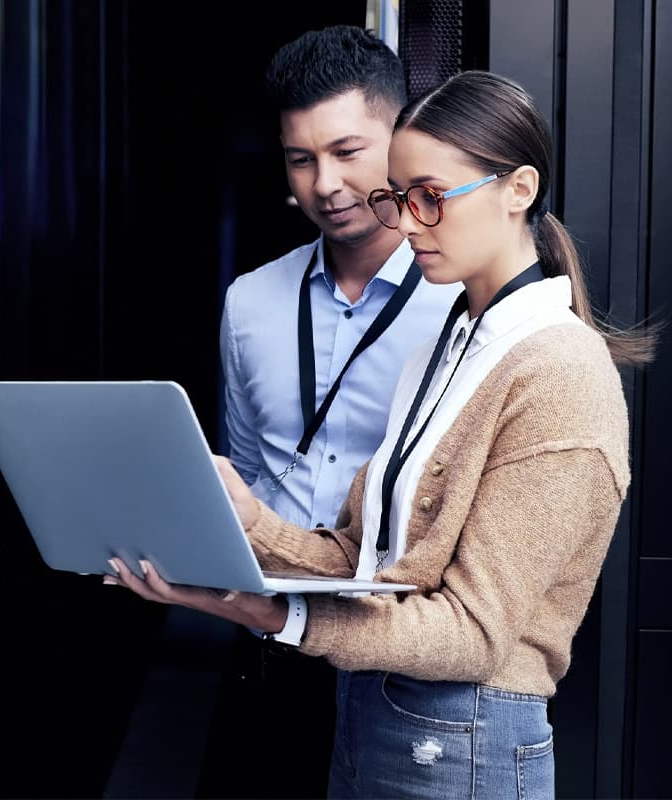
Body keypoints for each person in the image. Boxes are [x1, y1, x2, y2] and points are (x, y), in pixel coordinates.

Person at [106, 69, 658, 798]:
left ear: (517, 189)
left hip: (466, 737)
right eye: (398, 198)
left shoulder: (559, 368)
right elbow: (365, 561)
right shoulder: (455, 342)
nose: (406, 223)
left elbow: (473, 633)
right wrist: (250, 521)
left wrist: (273, 613)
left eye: (431, 197)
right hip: (379, 711)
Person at [200, 24, 461, 800]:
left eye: (348, 152)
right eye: (301, 158)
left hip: (400, 656)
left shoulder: (461, 303)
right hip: (265, 644)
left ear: (402, 140)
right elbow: (245, 471)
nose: (325, 185)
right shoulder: (249, 301)